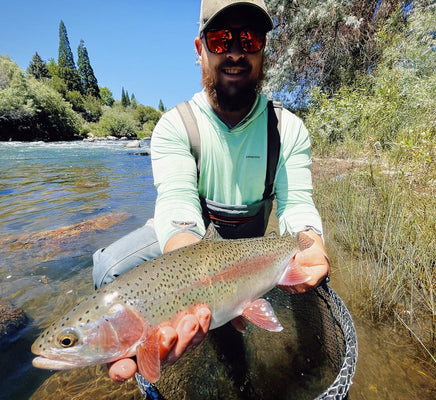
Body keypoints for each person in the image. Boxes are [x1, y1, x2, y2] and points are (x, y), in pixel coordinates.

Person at [93, 0, 331, 382]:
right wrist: (194, 283)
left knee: (308, 267)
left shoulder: (288, 129)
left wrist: (312, 243)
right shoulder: (175, 125)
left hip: (249, 245)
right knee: (108, 266)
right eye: (221, 39)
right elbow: (176, 205)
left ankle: (232, 327)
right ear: (199, 48)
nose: (235, 51)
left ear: (263, 48)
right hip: (187, 246)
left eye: (248, 38)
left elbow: (298, 203)